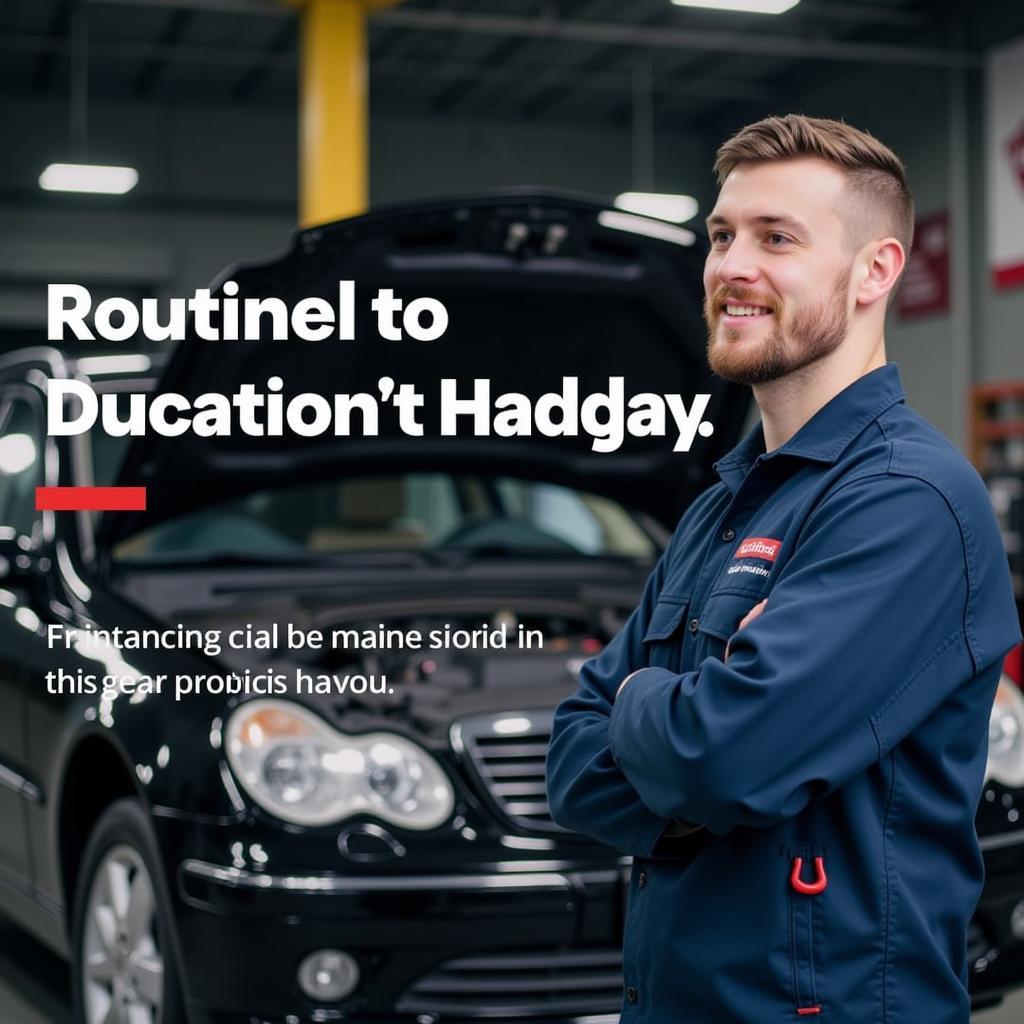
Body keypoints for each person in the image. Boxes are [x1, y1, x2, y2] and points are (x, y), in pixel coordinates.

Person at [545, 114, 1022, 1024]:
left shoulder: (909, 503)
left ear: (877, 271)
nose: (731, 267)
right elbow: (571, 759)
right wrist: (686, 722)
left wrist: (641, 699)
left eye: (777, 238)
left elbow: (718, 759)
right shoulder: (722, 506)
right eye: (722, 236)